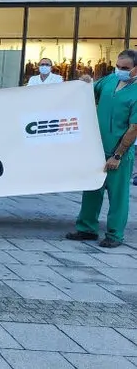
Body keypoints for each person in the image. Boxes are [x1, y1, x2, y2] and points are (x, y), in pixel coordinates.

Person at [67, 49, 137, 248]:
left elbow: (133, 129)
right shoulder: (109, 82)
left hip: (118, 153)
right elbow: (87, 91)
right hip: (97, 148)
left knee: (118, 196)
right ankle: (87, 228)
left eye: (125, 68)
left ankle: (115, 235)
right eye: (118, 66)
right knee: (92, 190)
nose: (120, 71)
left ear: (135, 69)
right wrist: (85, 81)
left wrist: (117, 155)